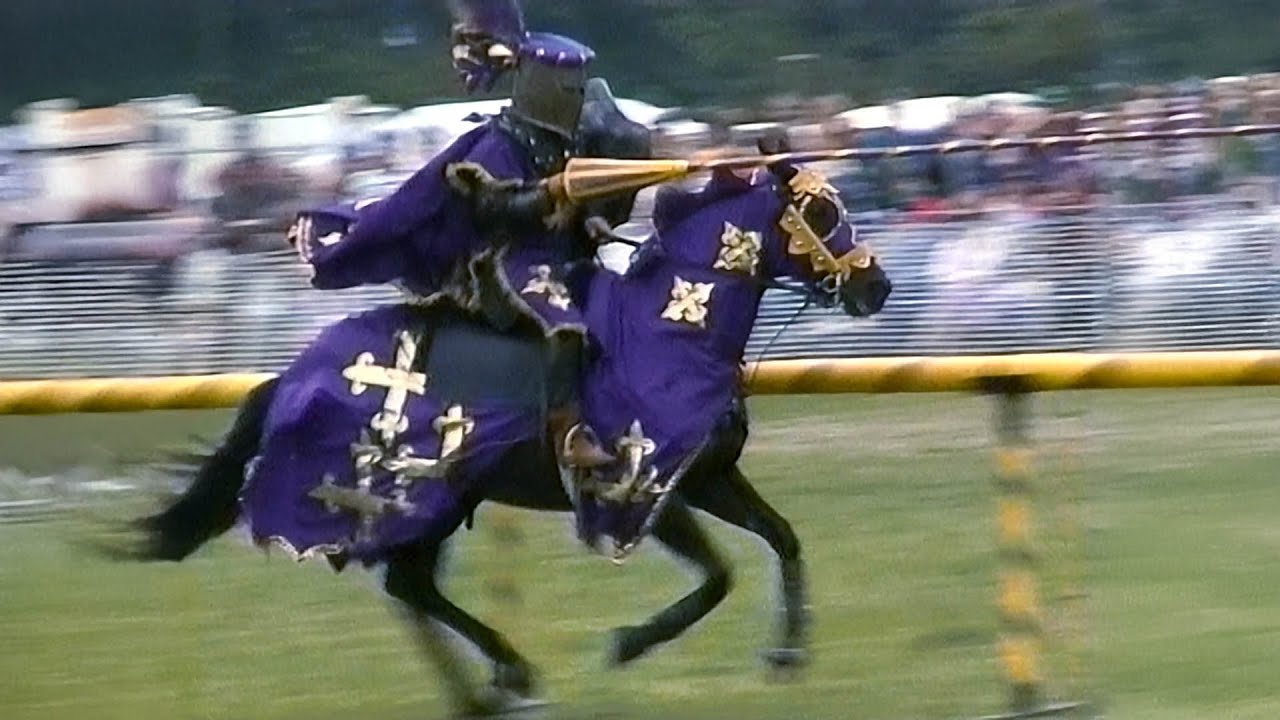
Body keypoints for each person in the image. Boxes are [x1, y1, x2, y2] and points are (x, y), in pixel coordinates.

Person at [287, 0, 650, 470]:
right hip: (505, 263)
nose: (576, 96)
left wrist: (589, 217)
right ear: (541, 84)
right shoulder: (496, 145)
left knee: (618, 309)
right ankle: (568, 433)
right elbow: (497, 210)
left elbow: (576, 203)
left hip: (557, 253)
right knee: (566, 325)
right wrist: (551, 194)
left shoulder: (563, 141)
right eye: (567, 86)